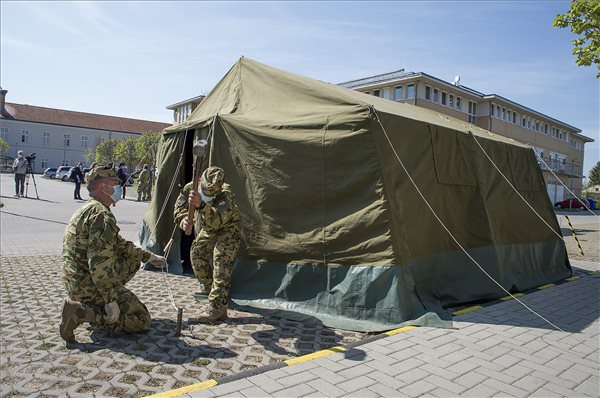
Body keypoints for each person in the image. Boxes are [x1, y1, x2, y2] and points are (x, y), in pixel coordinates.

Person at [59, 163, 168, 343]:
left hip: (75, 282)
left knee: (132, 260)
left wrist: (150, 257)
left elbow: (120, 245)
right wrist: (111, 301)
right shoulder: (102, 215)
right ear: (103, 187)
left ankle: (92, 305)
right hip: (88, 284)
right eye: (114, 183)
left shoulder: (87, 209)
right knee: (140, 319)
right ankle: (83, 313)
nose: (119, 187)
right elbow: (98, 263)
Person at [174, 166, 241, 323]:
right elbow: (179, 208)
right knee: (197, 253)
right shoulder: (191, 188)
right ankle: (212, 293)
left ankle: (216, 306)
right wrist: (183, 219)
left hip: (228, 228)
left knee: (221, 260)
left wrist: (202, 206)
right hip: (209, 227)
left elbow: (218, 222)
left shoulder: (225, 194)